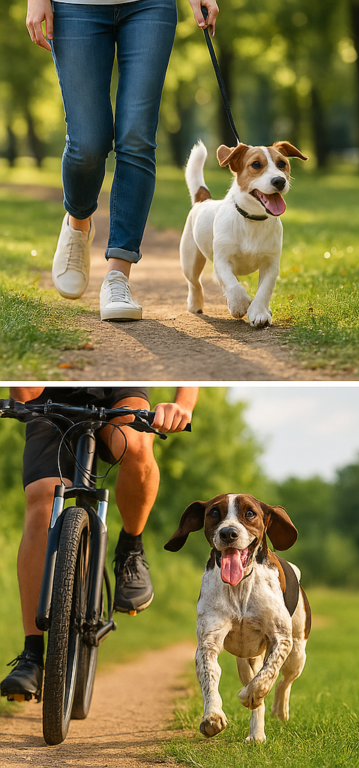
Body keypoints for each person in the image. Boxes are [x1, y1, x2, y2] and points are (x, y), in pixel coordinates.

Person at [0, 386, 198, 703]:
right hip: (50, 393)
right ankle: (32, 655)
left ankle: (131, 550)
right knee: (43, 501)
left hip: (119, 389)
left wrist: (183, 404)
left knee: (137, 446)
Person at [25, 0, 219, 321]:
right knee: (88, 142)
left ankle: (118, 276)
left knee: (136, 138)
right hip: (74, 7)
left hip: (150, 7)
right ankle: (78, 223)